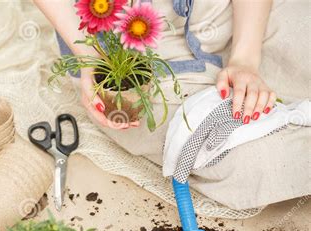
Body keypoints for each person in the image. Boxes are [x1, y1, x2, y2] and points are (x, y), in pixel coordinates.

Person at [34, 0, 310, 210]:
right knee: (256, 161)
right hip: (129, 50)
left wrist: (246, 59)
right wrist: (90, 59)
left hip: (230, 13)